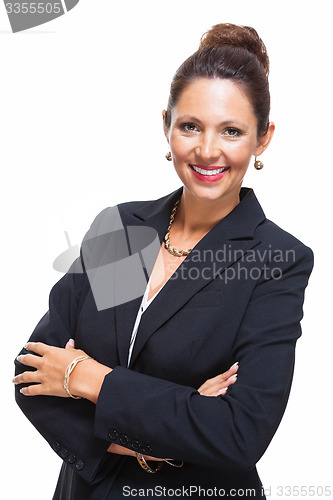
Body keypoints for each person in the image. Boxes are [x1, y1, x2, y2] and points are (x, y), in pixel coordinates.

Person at [13, 23, 313, 499]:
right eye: (190, 126)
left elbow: (238, 434)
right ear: (167, 125)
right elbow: (32, 374)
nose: (207, 150)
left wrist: (87, 378)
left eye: (232, 131)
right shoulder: (123, 229)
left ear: (263, 138)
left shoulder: (274, 260)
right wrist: (160, 432)